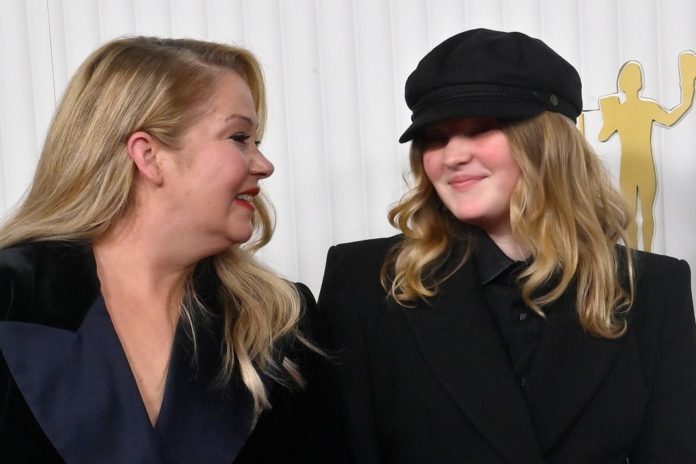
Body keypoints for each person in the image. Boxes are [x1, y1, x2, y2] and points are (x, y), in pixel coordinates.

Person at [316, 28, 696, 463]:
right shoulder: (368, 282)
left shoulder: (652, 289)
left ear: (547, 143)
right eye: (435, 137)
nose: (453, 155)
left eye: (481, 129)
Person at [0, 36, 315, 463]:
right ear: (148, 155)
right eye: (239, 137)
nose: (264, 164)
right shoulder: (11, 297)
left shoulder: (277, 318)